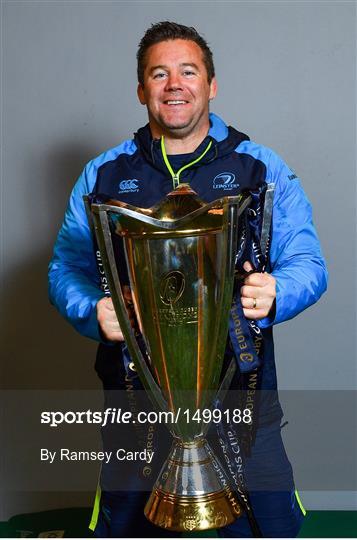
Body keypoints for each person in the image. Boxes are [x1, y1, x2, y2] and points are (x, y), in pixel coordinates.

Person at [48, 21, 328, 538]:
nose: (174, 84)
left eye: (188, 71)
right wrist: (91, 309)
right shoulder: (102, 175)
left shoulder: (260, 167)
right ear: (141, 90)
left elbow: (309, 264)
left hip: (242, 404)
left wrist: (278, 291)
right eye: (159, 73)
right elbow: (65, 269)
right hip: (136, 405)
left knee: (267, 529)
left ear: (211, 84)